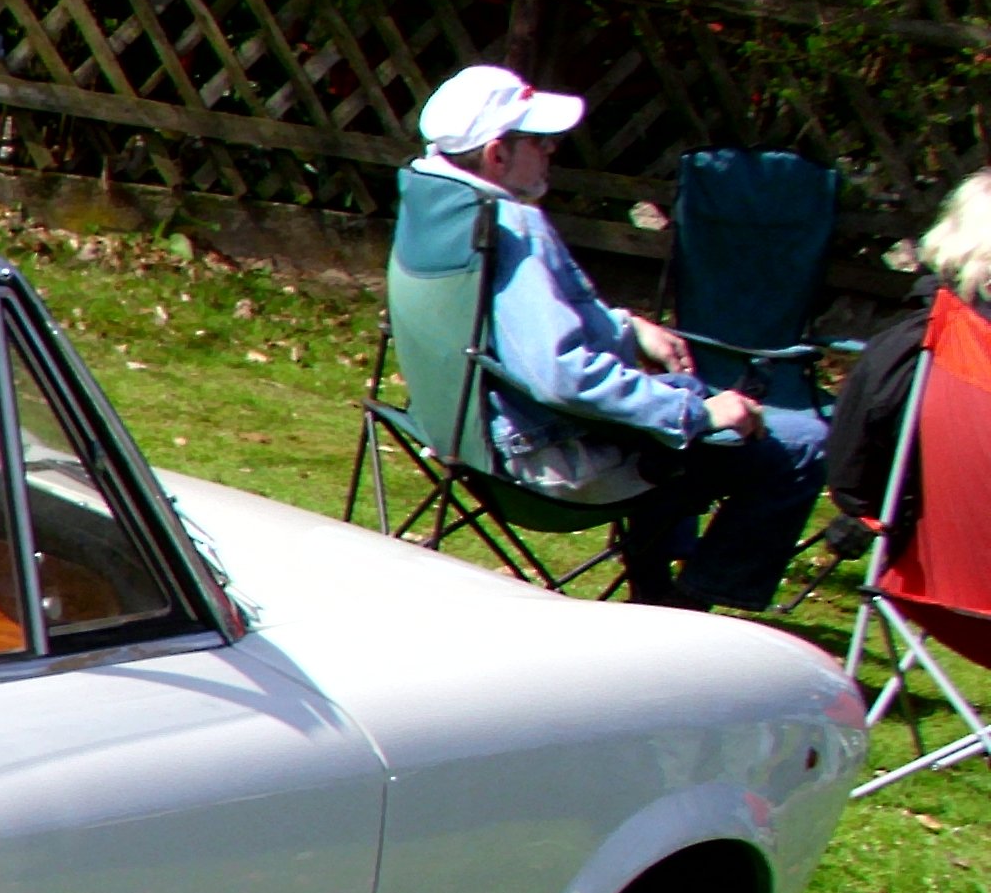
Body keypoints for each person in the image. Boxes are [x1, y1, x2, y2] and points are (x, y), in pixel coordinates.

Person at [412, 64, 828, 608]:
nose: (552, 151)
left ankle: (655, 588)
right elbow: (563, 374)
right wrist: (697, 416)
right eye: (540, 141)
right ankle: (685, 615)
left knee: (669, 407)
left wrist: (628, 328)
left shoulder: (437, 208)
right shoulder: (514, 229)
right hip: (550, 459)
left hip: (468, 433)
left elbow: (526, 330)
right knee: (800, 445)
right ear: (496, 154)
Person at [820, 171, 991, 551]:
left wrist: (872, 515)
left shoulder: (913, 345)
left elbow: (853, 476)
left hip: (937, 575)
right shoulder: (918, 344)